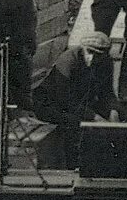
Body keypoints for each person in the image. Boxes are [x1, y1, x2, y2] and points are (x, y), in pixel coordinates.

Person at [25, 28, 118, 166]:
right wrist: (94, 117)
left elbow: (107, 92)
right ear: (83, 48)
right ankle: (73, 166)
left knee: (114, 119)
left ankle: (105, 161)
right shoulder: (68, 60)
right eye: (89, 52)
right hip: (50, 104)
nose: (92, 58)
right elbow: (65, 99)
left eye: (98, 54)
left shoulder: (106, 63)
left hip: (79, 102)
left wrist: (113, 110)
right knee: (74, 123)